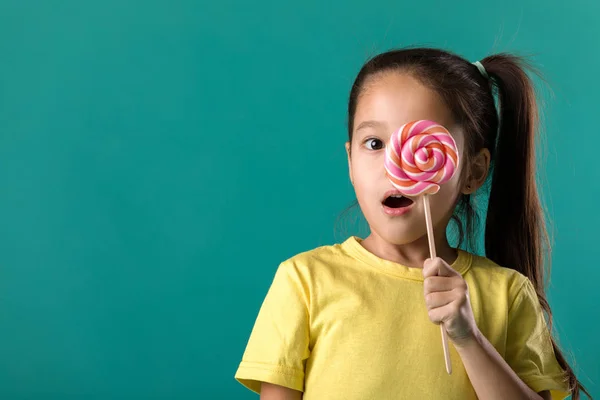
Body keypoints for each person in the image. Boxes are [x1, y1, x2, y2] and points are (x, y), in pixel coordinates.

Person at [234, 47, 590, 400]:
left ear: (473, 171)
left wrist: (469, 337)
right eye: (374, 143)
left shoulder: (507, 294)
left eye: (424, 147)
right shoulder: (304, 282)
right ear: (350, 162)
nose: (394, 167)